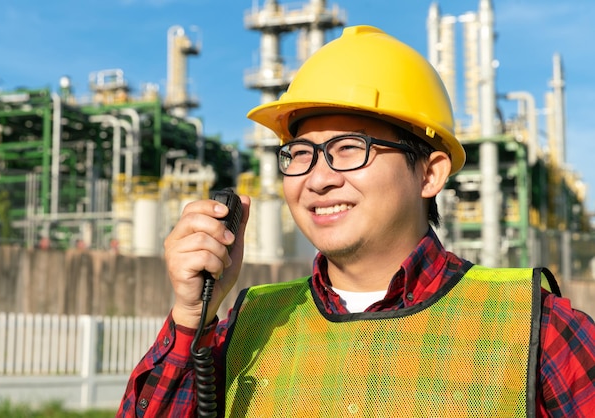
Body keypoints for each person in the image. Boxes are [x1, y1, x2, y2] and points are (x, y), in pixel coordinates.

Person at [118, 25, 595, 417]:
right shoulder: (248, 327)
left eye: (350, 149)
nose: (318, 177)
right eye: (300, 153)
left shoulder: (537, 327)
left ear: (430, 173)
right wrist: (190, 317)